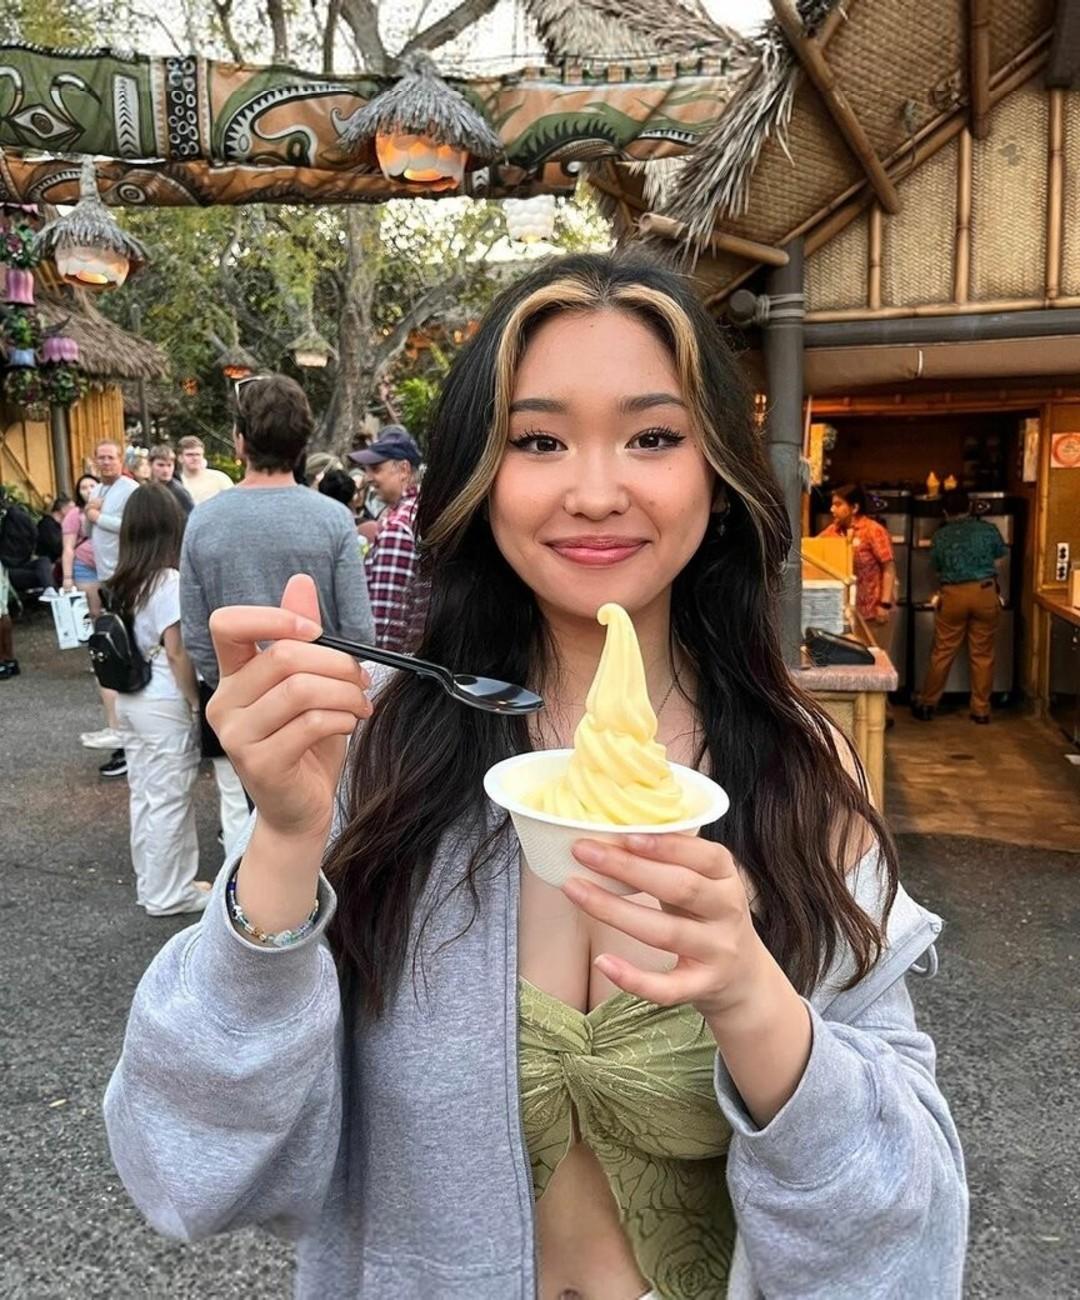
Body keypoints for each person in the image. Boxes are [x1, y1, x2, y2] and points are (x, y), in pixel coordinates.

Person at [107, 256, 966, 1299]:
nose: (595, 492)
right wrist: (285, 843)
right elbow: (185, 1175)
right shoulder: (376, 752)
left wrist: (753, 999)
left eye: (654, 437)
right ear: (481, 477)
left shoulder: (800, 769)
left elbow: (907, 1245)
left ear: (719, 477)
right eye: (539, 441)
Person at [179, 373, 373, 855]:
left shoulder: (203, 519)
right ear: (303, 443)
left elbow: (197, 632)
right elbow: (358, 629)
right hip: (322, 700)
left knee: (255, 818)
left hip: (246, 704)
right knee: (331, 820)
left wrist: (231, 682)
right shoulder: (332, 518)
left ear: (239, 441)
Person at [104, 484, 210, 916]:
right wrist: (194, 702)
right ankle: (172, 893)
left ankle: (153, 884)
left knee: (145, 794)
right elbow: (177, 651)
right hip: (164, 699)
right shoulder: (167, 581)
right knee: (170, 798)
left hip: (130, 698)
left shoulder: (122, 580)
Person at [914, 486, 1008, 724]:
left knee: (943, 651)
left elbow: (936, 566)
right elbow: (1000, 554)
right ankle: (981, 710)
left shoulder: (941, 536)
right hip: (984, 591)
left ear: (945, 511)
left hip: (953, 595)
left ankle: (927, 704)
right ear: (970, 507)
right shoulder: (988, 529)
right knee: (982, 654)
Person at [83, 441, 140, 776]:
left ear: (121, 460)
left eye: (110, 457)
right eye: (100, 458)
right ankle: (122, 733)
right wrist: (90, 514)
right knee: (112, 647)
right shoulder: (98, 489)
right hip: (104, 576)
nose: (105, 462)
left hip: (125, 575)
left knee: (125, 650)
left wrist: (97, 515)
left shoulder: (129, 489)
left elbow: (130, 527)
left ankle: (128, 738)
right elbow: (87, 530)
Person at [349, 425, 423, 651]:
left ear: (403, 469)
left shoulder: (397, 527)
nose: (369, 478)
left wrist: (379, 663)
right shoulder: (421, 511)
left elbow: (387, 619)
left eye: (376, 468)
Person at [817, 483, 897, 625]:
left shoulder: (873, 531)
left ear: (854, 508)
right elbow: (811, 549)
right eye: (832, 505)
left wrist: (884, 604)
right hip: (843, 614)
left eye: (838, 505)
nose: (832, 509)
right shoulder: (832, 531)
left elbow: (888, 568)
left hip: (873, 612)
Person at [62, 474, 102, 614]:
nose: (89, 490)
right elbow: (68, 547)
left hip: (112, 565)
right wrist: (67, 577)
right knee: (93, 612)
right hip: (86, 566)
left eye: (92, 486)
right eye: (83, 488)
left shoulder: (112, 509)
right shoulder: (74, 514)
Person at [176, 435, 234, 506]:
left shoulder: (220, 479)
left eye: (198, 454)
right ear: (180, 458)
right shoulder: (176, 483)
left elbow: (234, 504)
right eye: (190, 455)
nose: (195, 458)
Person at [149, 444, 195, 516]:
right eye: (160, 465)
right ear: (150, 464)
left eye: (169, 465)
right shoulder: (146, 487)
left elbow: (193, 515)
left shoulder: (178, 491)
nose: (166, 470)